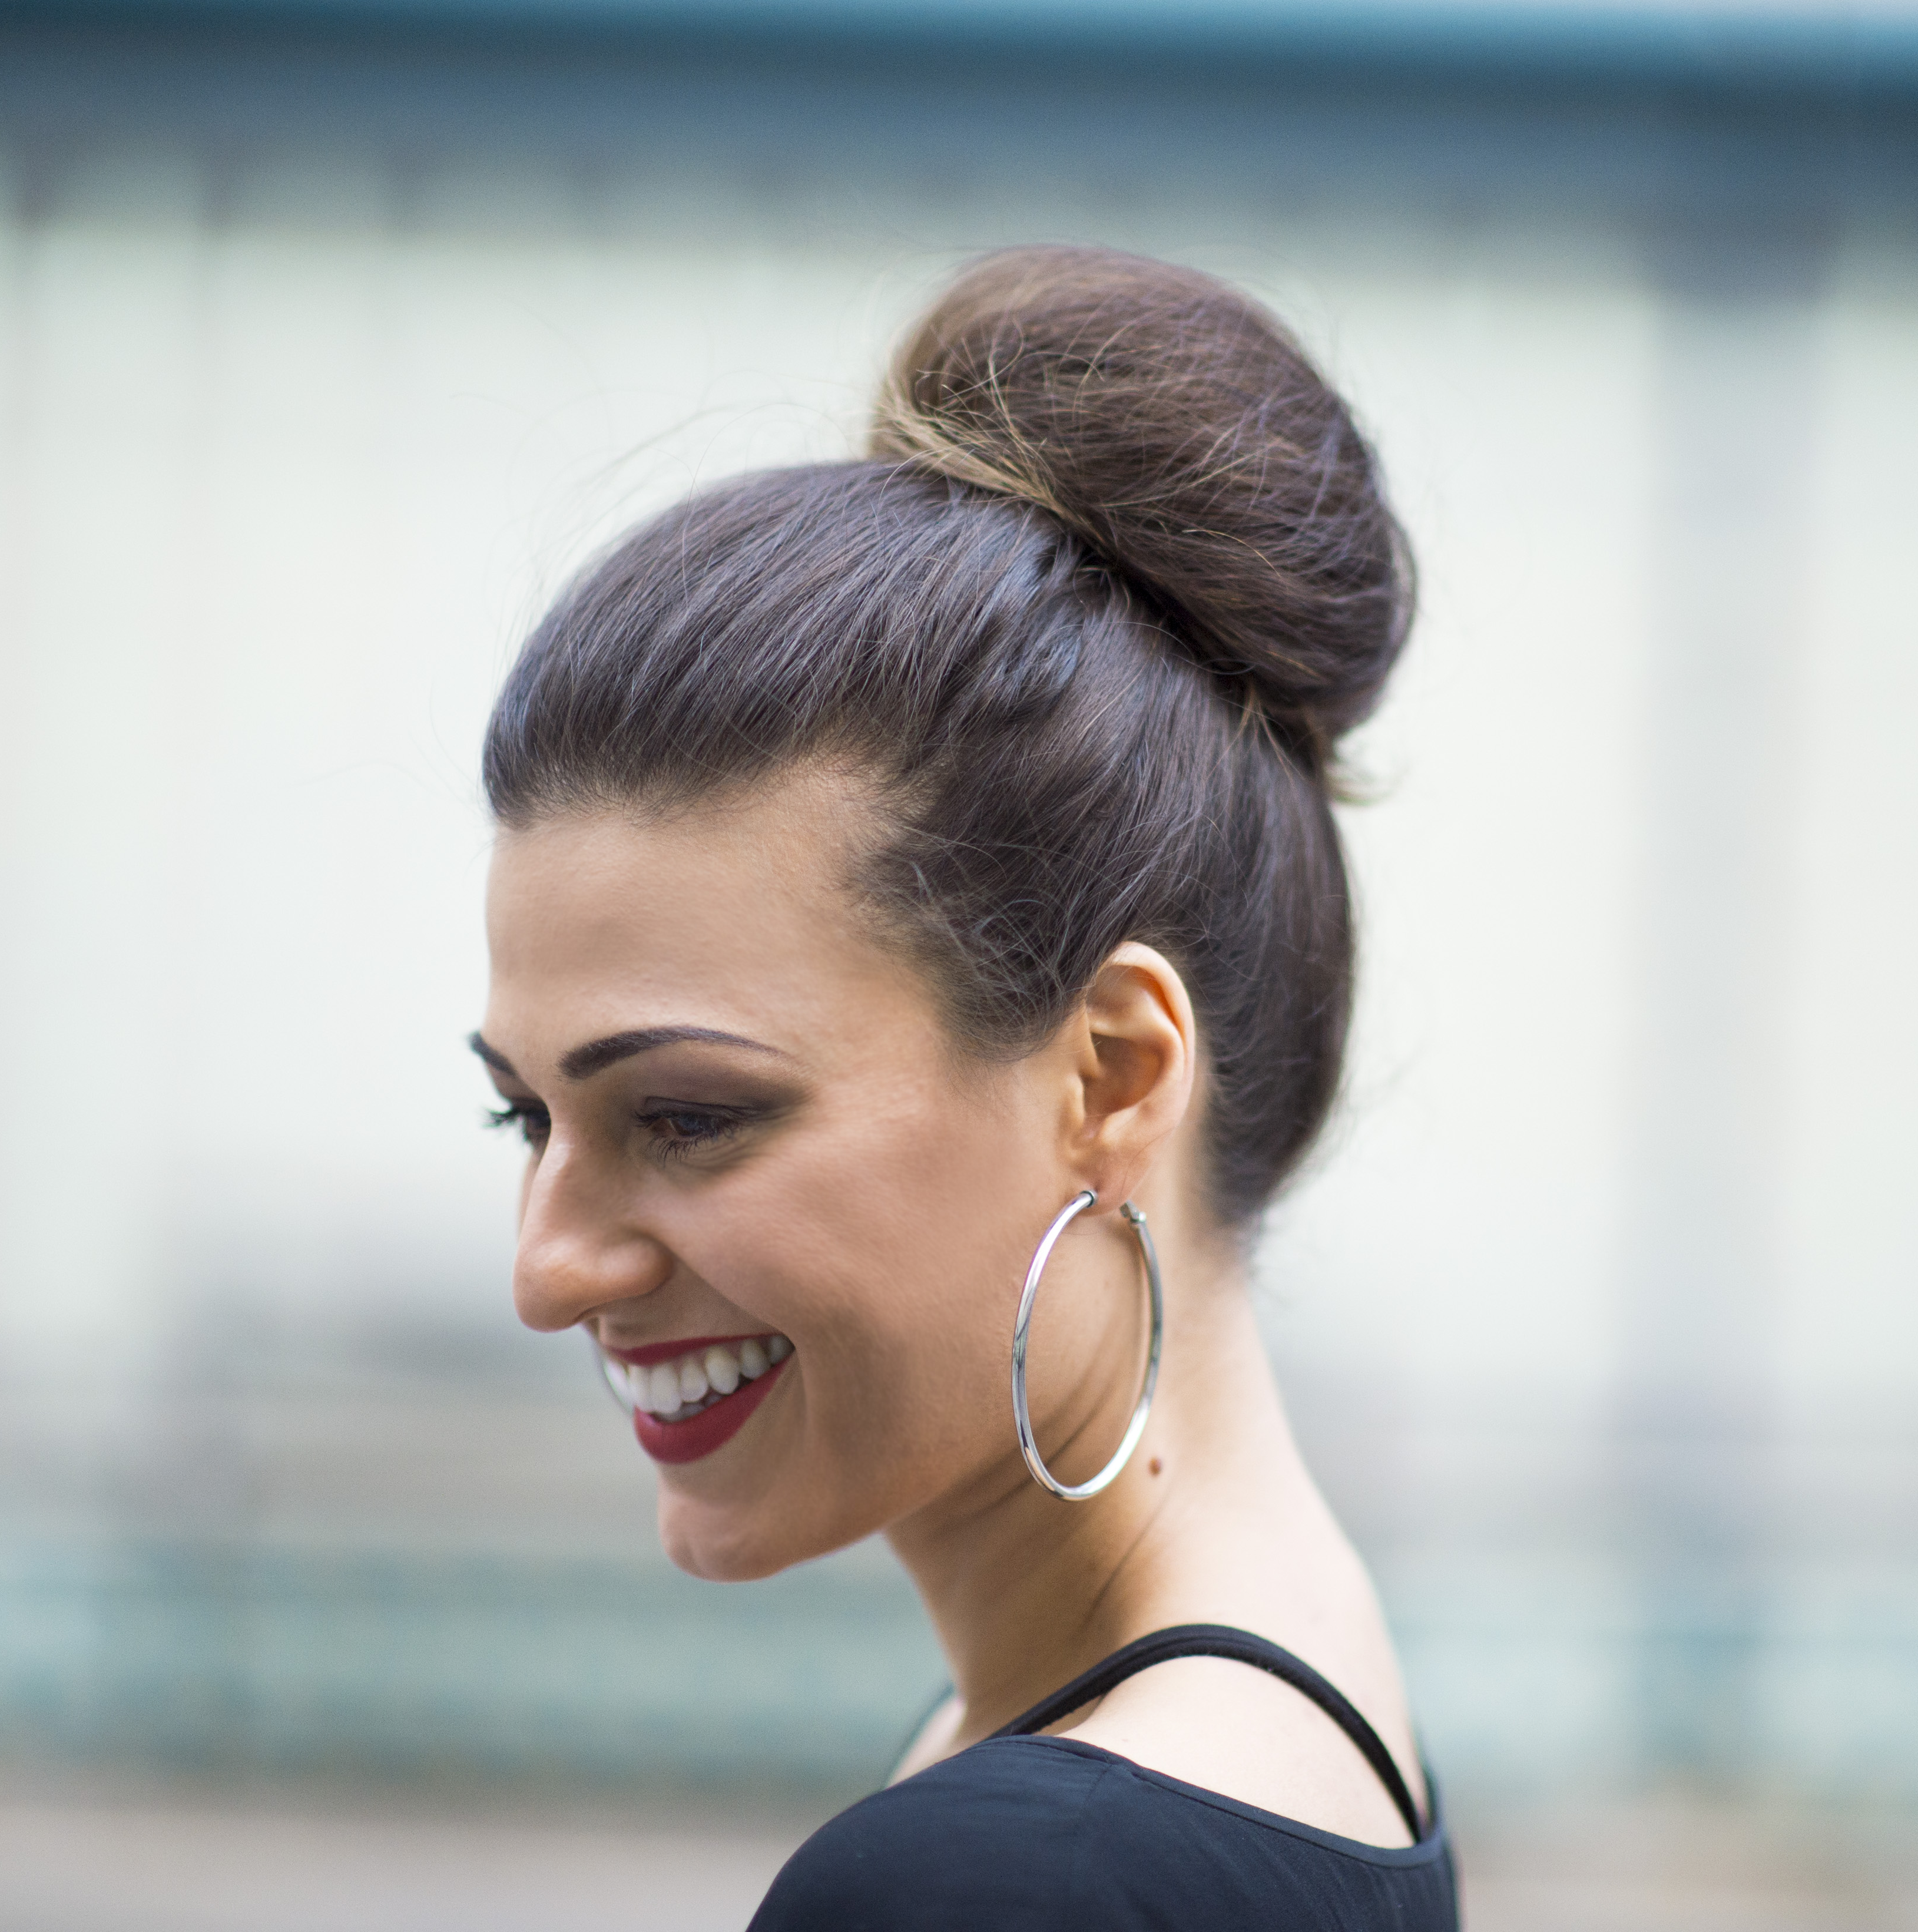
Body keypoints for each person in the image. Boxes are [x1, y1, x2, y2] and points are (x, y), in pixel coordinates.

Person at [471, 244, 1456, 1929]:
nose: (547, 1270)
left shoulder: (1006, 1880)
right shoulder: (1312, 1722)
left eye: (690, 1116)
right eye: (529, 1117)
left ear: (1116, 1073)